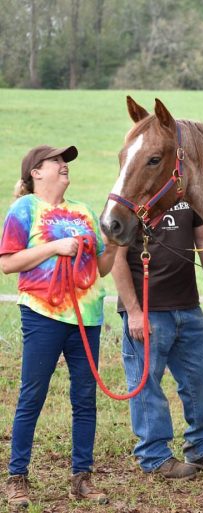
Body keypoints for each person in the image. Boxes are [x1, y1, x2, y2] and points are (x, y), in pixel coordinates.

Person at [0, 145, 118, 508]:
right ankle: (17, 477)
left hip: (87, 318)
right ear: (36, 172)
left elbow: (101, 267)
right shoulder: (25, 209)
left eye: (65, 162)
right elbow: (8, 263)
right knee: (31, 396)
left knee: (85, 399)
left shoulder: (82, 211)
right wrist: (54, 248)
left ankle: (82, 476)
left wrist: (116, 242)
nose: (64, 165)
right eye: (56, 161)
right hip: (43, 315)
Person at [111, 200, 203, 480]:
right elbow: (116, 258)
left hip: (188, 306)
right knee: (146, 383)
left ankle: (202, 447)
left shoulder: (186, 196)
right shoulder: (128, 197)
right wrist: (132, 311)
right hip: (147, 310)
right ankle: (154, 456)